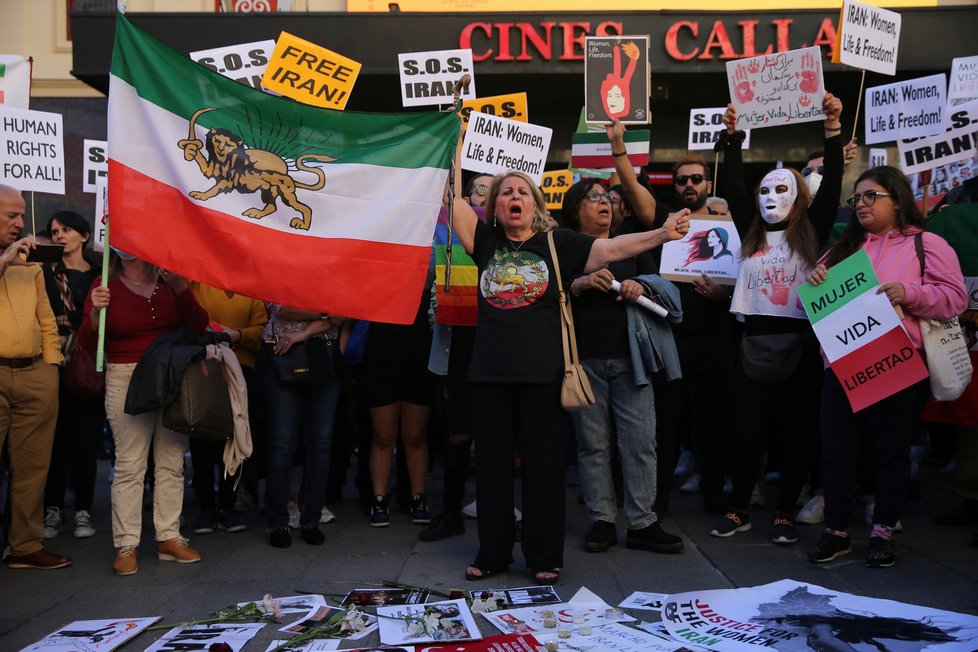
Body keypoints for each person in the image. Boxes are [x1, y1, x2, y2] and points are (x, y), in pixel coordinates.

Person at [450, 159, 690, 584]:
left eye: (522, 191)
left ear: (537, 204)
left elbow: (611, 250)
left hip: (544, 377)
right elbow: (452, 200)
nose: (514, 197)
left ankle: (543, 555)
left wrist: (662, 233)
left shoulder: (557, 242)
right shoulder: (485, 241)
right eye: (506, 193)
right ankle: (493, 553)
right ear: (495, 207)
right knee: (492, 469)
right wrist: (456, 141)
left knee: (544, 469)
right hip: (489, 376)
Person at [806, 166, 967, 568]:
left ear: (897, 199)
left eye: (870, 196)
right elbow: (808, 305)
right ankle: (837, 531)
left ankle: (882, 531)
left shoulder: (928, 245)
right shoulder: (842, 247)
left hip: (898, 364)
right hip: (842, 368)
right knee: (837, 452)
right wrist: (814, 281)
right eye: (855, 198)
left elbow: (955, 299)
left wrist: (908, 292)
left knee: (890, 453)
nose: (860, 204)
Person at [709, 93, 845, 546]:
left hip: (800, 346)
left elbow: (836, 177)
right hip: (752, 347)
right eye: (764, 189)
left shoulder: (812, 229)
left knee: (794, 435)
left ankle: (784, 510)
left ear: (801, 196)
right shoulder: (750, 231)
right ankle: (739, 508)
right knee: (746, 433)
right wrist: (732, 138)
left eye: (781, 188)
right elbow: (730, 184)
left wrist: (832, 127)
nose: (770, 197)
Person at [562, 178, 684, 555]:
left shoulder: (631, 240)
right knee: (593, 445)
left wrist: (641, 287)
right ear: (575, 208)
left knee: (640, 442)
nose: (604, 202)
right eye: (593, 197)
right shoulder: (565, 247)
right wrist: (579, 284)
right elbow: (551, 292)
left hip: (634, 361)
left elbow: (662, 285)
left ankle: (642, 523)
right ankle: (602, 520)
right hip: (586, 363)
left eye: (608, 198)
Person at [81, 250, 209, 575]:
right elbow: (87, 341)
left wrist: (181, 288)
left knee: (171, 460)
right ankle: (127, 544)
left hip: (169, 375)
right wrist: (95, 312)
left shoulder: (169, 279)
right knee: (129, 464)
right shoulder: (104, 284)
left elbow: (198, 325)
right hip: (125, 375)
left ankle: (169, 537)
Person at [0, 185, 71, 570]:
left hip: (34, 375)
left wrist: (51, 364)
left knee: (32, 469)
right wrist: (8, 258)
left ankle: (26, 546)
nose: (19, 223)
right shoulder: (15, 257)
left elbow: (47, 317)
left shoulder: (31, 264)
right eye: (10, 215)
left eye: (20, 215)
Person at [188, 283, 267, 535]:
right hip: (204, 368)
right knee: (200, 436)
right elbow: (189, 315)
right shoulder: (198, 282)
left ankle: (226, 505)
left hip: (241, 372)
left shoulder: (250, 288)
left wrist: (238, 336)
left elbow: (261, 329)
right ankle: (205, 507)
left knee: (233, 437)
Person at [41, 211, 102, 540]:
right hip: (52, 362)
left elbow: (95, 315)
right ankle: (52, 508)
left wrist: (75, 323)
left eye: (66, 230)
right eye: (54, 231)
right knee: (53, 439)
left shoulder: (99, 273)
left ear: (84, 234)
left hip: (86, 364)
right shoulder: (45, 271)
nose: (59, 236)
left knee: (86, 439)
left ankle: (83, 509)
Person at [261, 305, 343, 548]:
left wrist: (302, 333)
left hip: (324, 355)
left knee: (321, 442)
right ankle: (277, 521)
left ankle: (312, 519)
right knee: (282, 442)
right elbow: (279, 307)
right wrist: (324, 315)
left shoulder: (333, 267)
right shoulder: (277, 266)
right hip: (281, 352)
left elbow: (343, 314)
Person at [364, 284, 435, 528]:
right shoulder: (378, 262)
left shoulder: (428, 254)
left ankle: (418, 498)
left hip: (418, 353)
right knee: (383, 435)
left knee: (414, 435)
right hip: (380, 354)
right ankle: (379, 499)